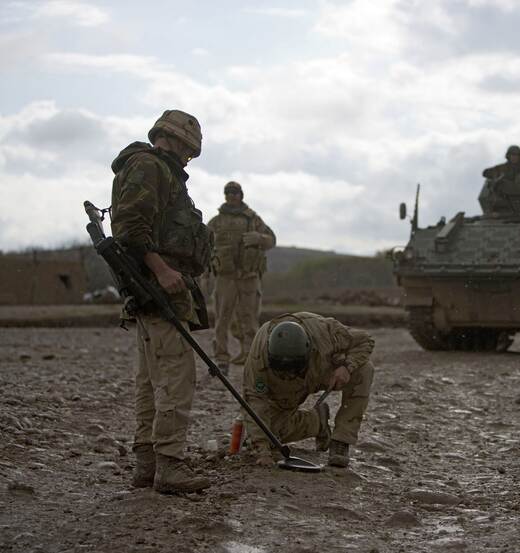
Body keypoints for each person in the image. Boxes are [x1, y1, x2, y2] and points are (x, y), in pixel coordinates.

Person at [110, 109, 212, 494]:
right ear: (177, 140)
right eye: (188, 148)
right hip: (158, 288)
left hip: (154, 290)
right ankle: (168, 465)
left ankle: (147, 464)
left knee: (152, 379)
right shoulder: (150, 166)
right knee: (175, 377)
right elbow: (129, 225)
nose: (188, 156)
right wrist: (161, 270)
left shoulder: (159, 170)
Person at [242, 312, 375, 468]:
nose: (289, 373)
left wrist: (347, 367)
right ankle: (317, 422)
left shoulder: (326, 333)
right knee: (269, 434)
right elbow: (255, 402)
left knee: (364, 369)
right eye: (284, 368)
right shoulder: (258, 360)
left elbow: (366, 340)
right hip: (282, 388)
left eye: (293, 369)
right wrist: (262, 450)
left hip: (320, 371)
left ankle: (341, 440)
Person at [207, 182, 276, 374]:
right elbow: (202, 242)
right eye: (228, 192)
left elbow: (272, 239)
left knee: (250, 319)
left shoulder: (253, 219)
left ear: (241, 195)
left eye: (235, 192)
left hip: (249, 277)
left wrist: (259, 239)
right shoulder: (217, 222)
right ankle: (222, 359)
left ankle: (251, 358)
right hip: (225, 277)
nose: (231, 196)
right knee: (222, 319)